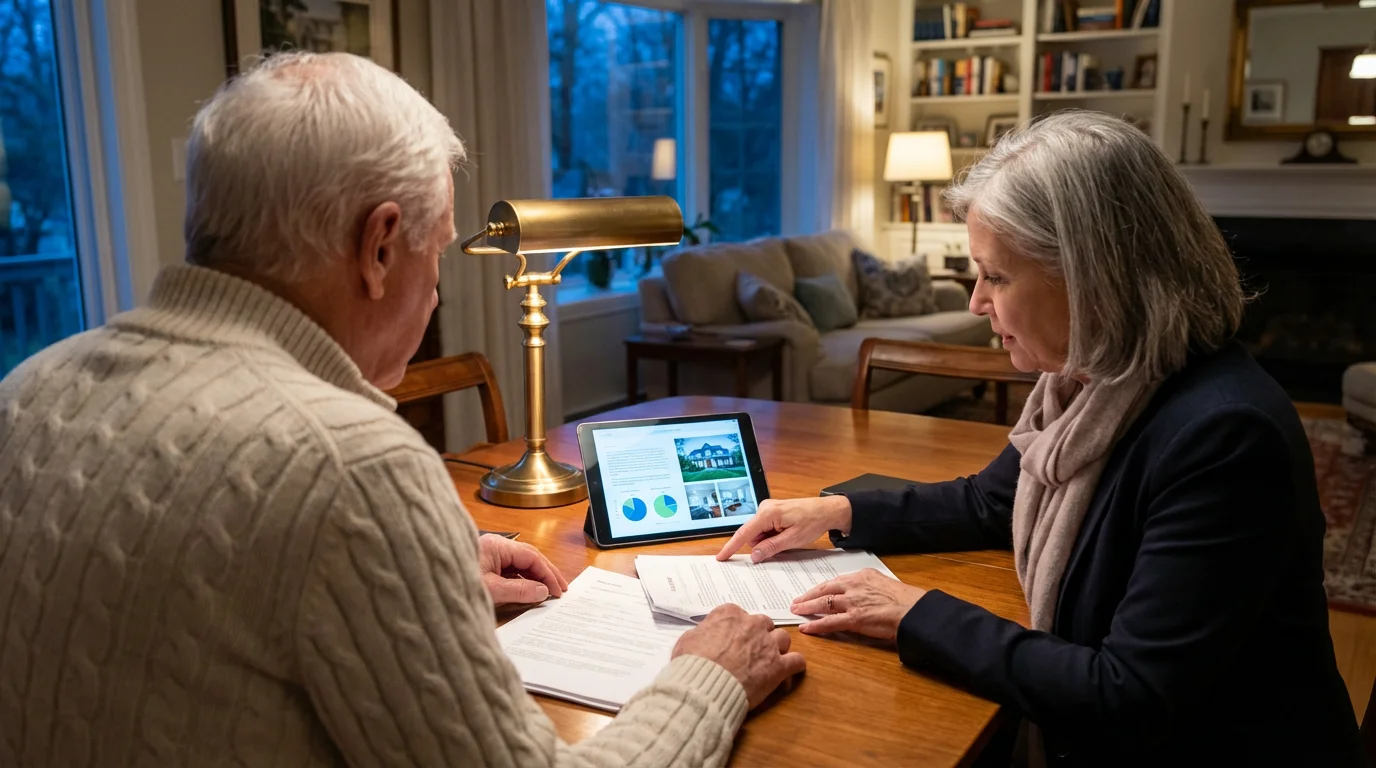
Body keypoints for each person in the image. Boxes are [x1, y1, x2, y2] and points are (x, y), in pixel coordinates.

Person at [0, 52, 803, 767]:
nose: (438, 288)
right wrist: (709, 676)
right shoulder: (353, 464)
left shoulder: (28, 390)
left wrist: (405, 589)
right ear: (380, 248)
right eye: (439, 250)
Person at [718, 111, 1364, 766]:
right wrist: (835, 513)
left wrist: (914, 614)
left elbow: (1128, 697)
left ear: (1095, 277)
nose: (975, 302)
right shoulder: (1091, 383)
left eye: (995, 275)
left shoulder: (1224, 437)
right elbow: (988, 501)